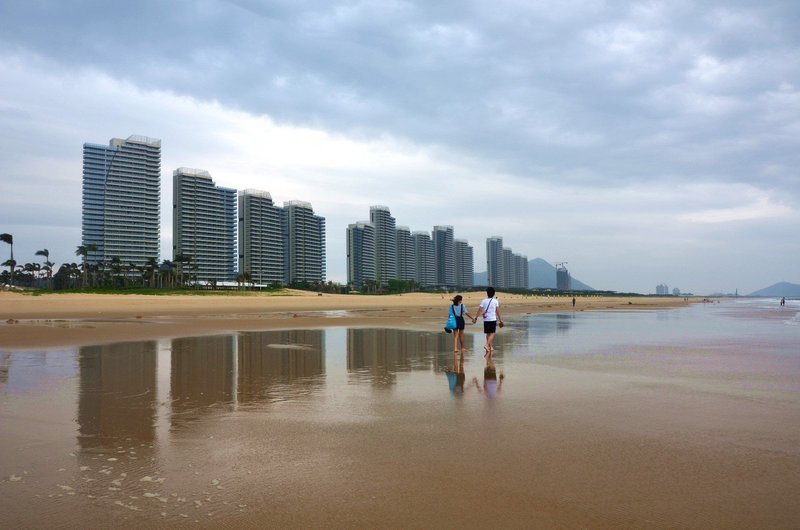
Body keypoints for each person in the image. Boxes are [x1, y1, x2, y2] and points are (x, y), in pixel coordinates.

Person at [473, 287, 503, 357]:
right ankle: (487, 345)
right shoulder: (495, 301)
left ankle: (490, 347)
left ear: (487, 293)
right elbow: (497, 311)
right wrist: (500, 319)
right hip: (492, 319)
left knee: (488, 333)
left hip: (486, 320)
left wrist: (476, 317)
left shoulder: (483, 301)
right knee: (492, 333)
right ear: (493, 293)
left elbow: (479, 310)